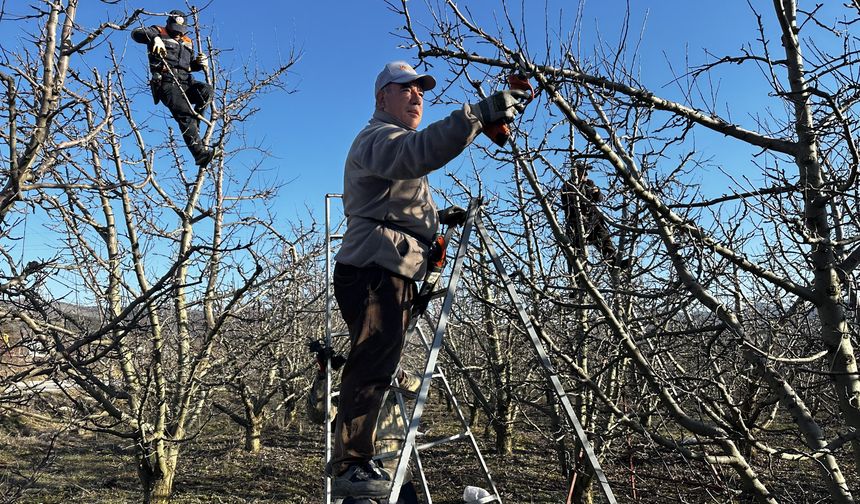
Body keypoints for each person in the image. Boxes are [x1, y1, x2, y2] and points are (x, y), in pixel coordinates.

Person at [330, 61, 529, 499]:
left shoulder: (393, 145)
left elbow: (397, 203)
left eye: (421, 90)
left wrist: (436, 222)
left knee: (380, 358)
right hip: (375, 268)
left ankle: (362, 454)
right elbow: (418, 153)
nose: (417, 95)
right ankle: (352, 462)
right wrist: (478, 114)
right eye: (406, 88)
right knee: (372, 359)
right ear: (382, 97)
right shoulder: (378, 138)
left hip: (390, 266)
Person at [306, 343, 421, 504]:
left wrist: (398, 373)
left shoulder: (390, 390)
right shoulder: (345, 396)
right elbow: (319, 414)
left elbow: (418, 388)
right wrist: (323, 376)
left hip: (393, 470)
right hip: (356, 475)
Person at [131, 10, 214, 167]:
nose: (178, 34)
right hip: (167, 82)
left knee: (207, 91)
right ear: (168, 24)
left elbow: (188, 66)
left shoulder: (188, 41)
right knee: (185, 114)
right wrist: (155, 39)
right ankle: (200, 154)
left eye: (181, 31)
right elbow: (136, 34)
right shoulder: (157, 31)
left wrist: (199, 64)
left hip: (187, 81)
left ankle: (194, 126)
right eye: (175, 29)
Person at [561, 163, 629, 268]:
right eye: (583, 171)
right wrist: (581, 192)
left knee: (605, 241)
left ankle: (613, 264)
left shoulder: (589, 183)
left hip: (594, 221)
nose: (586, 174)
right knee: (576, 253)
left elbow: (599, 199)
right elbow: (569, 203)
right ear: (575, 173)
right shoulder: (567, 186)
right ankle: (578, 278)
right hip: (576, 224)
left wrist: (597, 192)